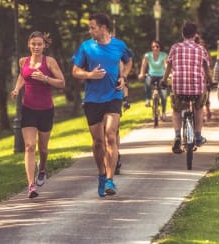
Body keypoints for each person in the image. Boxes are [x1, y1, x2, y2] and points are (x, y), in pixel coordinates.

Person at [71, 13, 133, 197]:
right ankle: (101, 174)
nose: (90, 31)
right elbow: (75, 71)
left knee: (110, 136)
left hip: (114, 96)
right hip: (92, 100)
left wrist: (123, 77)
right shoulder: (86, 47)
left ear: (103, 28)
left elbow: (128, 62)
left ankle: (110, 179)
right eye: (90, 28)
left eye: (93, 27)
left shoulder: (119, 45)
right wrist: (89, 75)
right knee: (98, 142)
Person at [11, 31, 66, 198]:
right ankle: (31, 186)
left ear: (44, 46)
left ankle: (42, 168)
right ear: (29, 44)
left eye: (39, 44)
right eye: (33, 44)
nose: (36, 47)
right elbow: (22, 76)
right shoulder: (23, 61)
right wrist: (16, 88)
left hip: (46, 110)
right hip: (28, 109)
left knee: (43, 148)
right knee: (29, 146)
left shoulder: (49, 62)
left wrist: (45, 78)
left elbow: (62, 83)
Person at [161, 21, 212, 153]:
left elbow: (169, 66)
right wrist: (211, 80)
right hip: (197, 87)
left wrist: (164, 80)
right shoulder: (201, 49)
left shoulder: (175, 48)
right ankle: (198, 136)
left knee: (177, 110)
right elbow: (206, 67)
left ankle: (177, 136)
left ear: (182, 34)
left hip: (179, 86)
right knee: (199, 108)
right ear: (195, 34)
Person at [138, 40, 168, 120]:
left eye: (157, 46)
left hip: (161, 76)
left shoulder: (164, 55)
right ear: (151, 48)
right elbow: (143, 65)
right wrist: (141, 73)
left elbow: (166, 65)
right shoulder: (147, 55)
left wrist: (168, 73)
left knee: (164, 96)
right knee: (147, 82)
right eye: (153, 47)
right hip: (151, 75)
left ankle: (164, 112)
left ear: (160, 47)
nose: (155, 48)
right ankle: (147, 99)